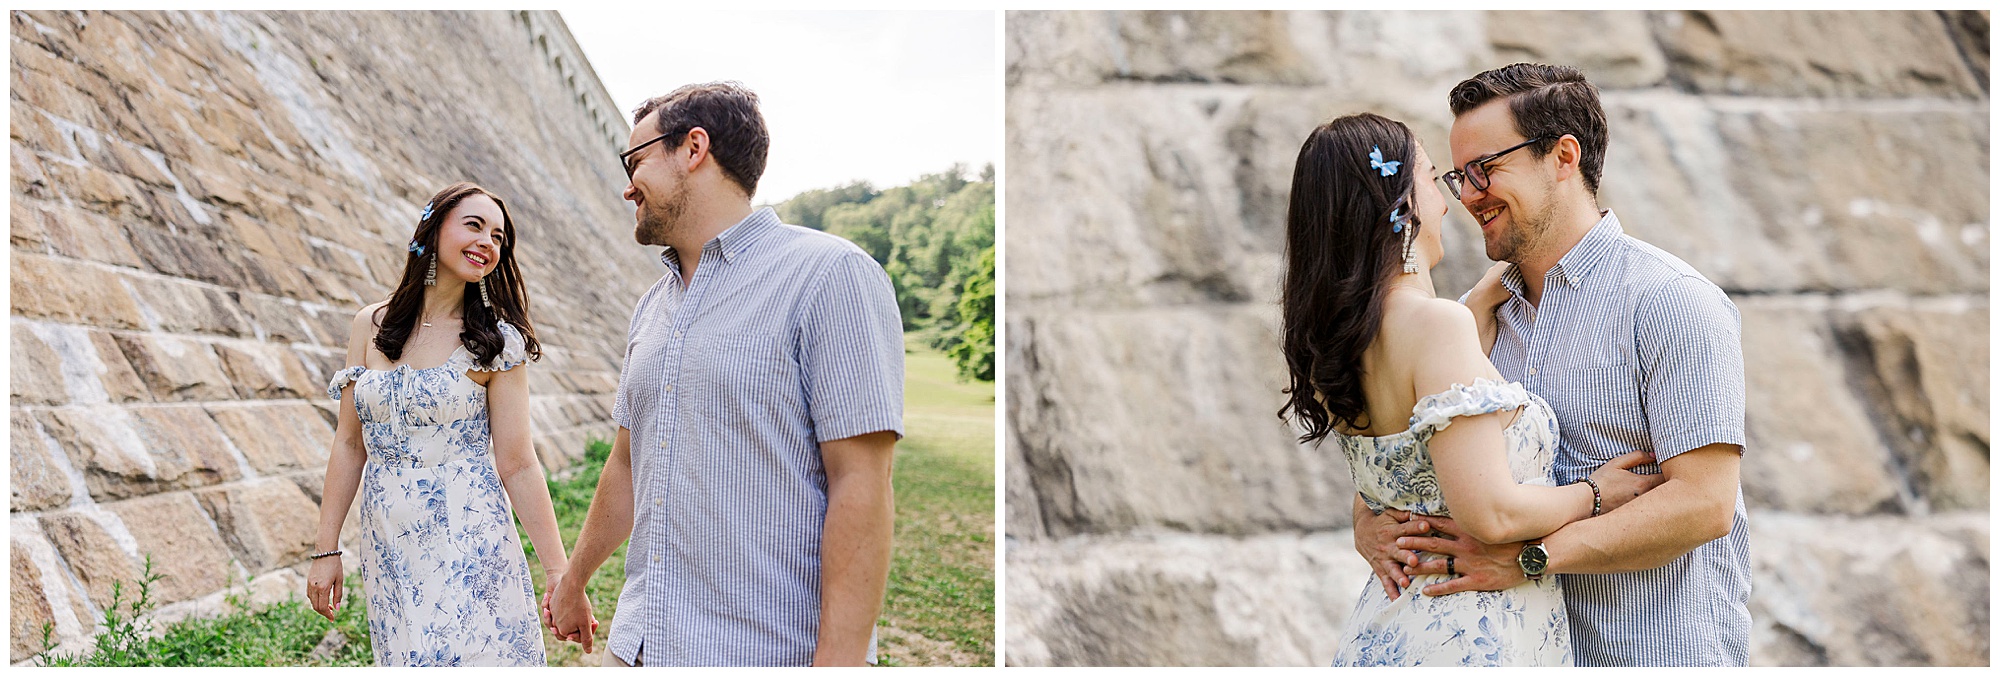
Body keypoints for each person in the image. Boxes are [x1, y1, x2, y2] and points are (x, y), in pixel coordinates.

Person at [1352, 63, 1751, 666]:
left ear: (1564, 157)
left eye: (1486, 169)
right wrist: (1367, 528)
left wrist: (1530, 557)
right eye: (1459, 177)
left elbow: (1705, 504)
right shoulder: (1470, 319)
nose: (1469, 195)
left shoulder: (1671, 300)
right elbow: (1405, 469)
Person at [1279, 112, 1663, 666]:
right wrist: (1597, 494)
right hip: (1469, 635)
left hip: (1389, 626)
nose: (1448, 202)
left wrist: (1476, 305)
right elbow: (1494, 515)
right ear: (1401, 205)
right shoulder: (1438, 328)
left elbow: (1407, 470)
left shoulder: (1342, 341)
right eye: (1434, 180)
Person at [543, 82, 904, 667]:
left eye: (635, 162)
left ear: (693, 148)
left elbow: (861, 483)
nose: (626, 185)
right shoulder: (652, 307)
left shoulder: (831, 275)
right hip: (637, 644)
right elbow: (629, 461)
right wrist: (574, 579)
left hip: (756, 651)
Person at [306, 182, 568, 666]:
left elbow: (518, 463)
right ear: (434, 228)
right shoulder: (370, 324)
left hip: (470, 538)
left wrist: (559, 571)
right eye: (474, 225)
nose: (488, 242)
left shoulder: (496, 341)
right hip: (388, 542)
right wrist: (327, 549)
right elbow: (348, 445)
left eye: (498, 236)